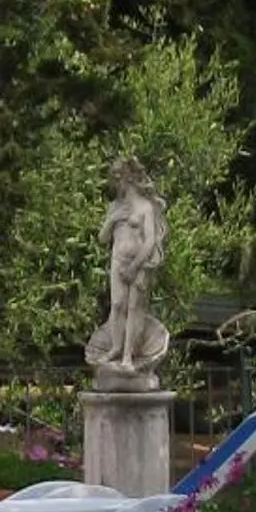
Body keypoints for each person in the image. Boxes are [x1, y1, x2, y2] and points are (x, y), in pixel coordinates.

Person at [85, 156, 171, 380]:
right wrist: (112, 220)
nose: (116, 184)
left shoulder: (145, 207)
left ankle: (127, 356)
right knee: (117, 304)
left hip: (139, 263)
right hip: (118, 260)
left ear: (129, 178)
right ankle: (115, 347)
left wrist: (135, 266)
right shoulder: (115, 206)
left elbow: (150, 240)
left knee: (134, 308)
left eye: (119, 178)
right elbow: (103, 239)